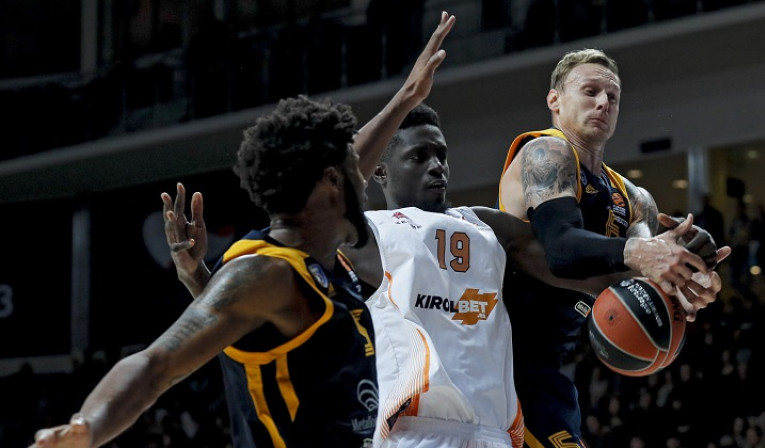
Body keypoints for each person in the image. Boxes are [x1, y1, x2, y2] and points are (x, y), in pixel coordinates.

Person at [162, 27, 724, 448]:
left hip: (496, 425)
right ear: (381, 171)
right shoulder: (361, 234)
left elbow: (574, 262)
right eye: (420, 155)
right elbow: (311, 208)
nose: (438, 167)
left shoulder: (485, 225)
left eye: (444, 155)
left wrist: (673, 268)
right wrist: (197, 276)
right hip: (412, 427)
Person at [30, 96, 379, 447]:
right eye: (355, 170)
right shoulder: (267, 273)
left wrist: (409, 95)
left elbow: (251, 334)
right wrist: (88, 427)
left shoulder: (325, 269)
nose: (365, 183)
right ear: (332, 180)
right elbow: (156, 366)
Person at [496, 48, 731, 447]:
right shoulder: (545, 152)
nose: (603, 102)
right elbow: (562, 248)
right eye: (590, 91)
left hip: (549, 370)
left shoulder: (635, 198)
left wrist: (689, 276)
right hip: (500, 360)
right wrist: (642, 254)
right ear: (555, 100)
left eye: (613, 97)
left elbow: (637, 274)